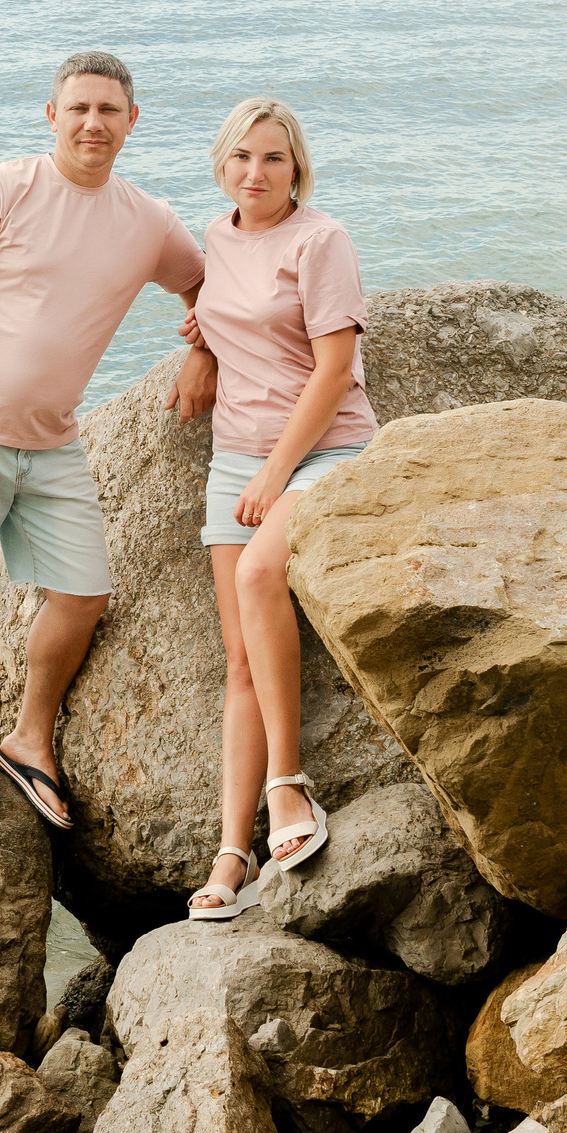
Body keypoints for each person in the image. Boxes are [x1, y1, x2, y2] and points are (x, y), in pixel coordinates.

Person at [0, 51, 217, 825]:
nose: (92, 123)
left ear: (132, 121)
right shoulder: (2, 189)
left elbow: (209, 285)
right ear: (52, 116)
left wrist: (204, 350)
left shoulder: (148, 222)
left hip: (51, 442)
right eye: (78, 108)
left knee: (83, 595)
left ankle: (28, 737)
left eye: (109, 110)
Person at [180, 97, 378, 920]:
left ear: (297, 167)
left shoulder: (321, 240)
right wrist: (196, 349)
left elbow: (334, 370)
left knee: (262, 574)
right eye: (241, 157)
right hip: (234, 456)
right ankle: (233, 853)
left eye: (272, 158)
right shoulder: (216, 236)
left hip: (326, 450)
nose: (255, 173)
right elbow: (220, 309)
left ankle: (288, 787)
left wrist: (277, 473)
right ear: (221, 164)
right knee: (238, 659)